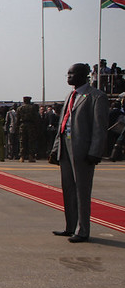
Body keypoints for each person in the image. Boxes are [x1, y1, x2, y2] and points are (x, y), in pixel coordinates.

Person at [49, 63, 108, 243]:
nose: (68, 76)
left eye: (72, 73)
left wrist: (95, 152)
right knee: (68, 189)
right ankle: (70, 226)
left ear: (83, 75)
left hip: (83, 150)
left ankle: (82, 230)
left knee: (82, 190)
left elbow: (100, 127)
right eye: (67, 73)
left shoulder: (96, 96)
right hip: (66, 147)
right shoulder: (70, 95)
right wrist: (56, 149)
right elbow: (63, 124)